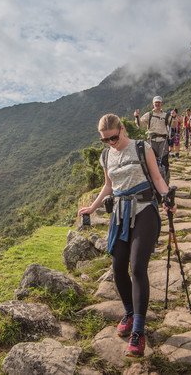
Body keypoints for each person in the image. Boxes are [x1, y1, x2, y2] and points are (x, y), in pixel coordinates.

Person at [77, 114, 176, 357]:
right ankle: (130, 313)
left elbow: (156, 178)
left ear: (122, 129)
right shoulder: (106, 155)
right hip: (120, 214)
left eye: (113, 137)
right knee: (118, 266)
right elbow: (108, 185)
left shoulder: (142, 147)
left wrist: (167, 197)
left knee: (138, 267)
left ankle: (139, 331)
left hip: (145, 211)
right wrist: (93, 206)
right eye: (105, 140)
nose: (110, 142)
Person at [134, 96, 170, 182]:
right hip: (151, 140)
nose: (157, 104)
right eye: (156, 102)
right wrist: (137, 117)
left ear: (161, 104)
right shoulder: (149, 114)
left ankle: (165, 181)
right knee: (151, 162)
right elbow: (140, 125)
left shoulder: (166, 115)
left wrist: (175, 118)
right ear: (153, 104)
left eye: (159, 102)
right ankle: (152, 181)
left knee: (164, 161)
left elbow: (173, 125)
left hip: (163, 141)